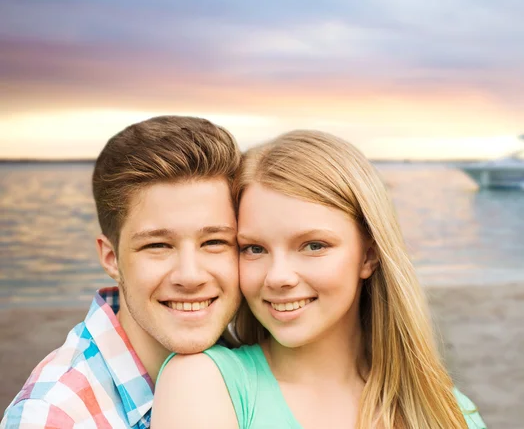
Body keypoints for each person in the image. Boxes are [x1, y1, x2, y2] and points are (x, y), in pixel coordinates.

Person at [152, 130, 486, 428]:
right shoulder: (204, 382)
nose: (278, 277)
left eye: (314, 245)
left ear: (368, 255)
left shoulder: (448, 409)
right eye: (254, 248)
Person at [1, 116, 242, 428]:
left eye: (214, 242)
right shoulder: (53, 416)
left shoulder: (252, 367)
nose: (190, 275)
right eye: (158, 245)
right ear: (111, 257)